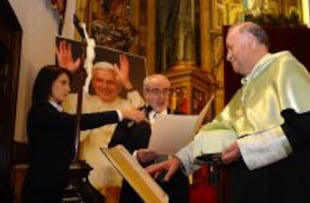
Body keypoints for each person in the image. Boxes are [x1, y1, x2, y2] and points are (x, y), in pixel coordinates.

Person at [146, 21, 310, 203]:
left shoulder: (283, 66)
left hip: (288, 189)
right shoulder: (243, 92)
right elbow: (216, 134)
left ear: (251, 41)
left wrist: (245, 148)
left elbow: (305, 126)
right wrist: (180, 160)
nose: (228, 56)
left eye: (230, 47)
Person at [21, 65, 145, 203]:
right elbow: (79, 121)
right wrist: (120, 114)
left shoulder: (54, 111)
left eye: (68, 84)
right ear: (47, 82)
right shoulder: (41, 111)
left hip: (59, 184)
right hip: (43, 186)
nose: (68, 89)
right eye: (63, 83)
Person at [56, 40, 145, 202]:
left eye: (110, 82)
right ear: (93, 81)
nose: (104, 86)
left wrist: (127, 83)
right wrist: (65, 72)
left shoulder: (126, 105)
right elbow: (63, 111)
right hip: (90, 179)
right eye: (99, 80)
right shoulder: (82, 101)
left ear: (118, 85)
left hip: (120, 177)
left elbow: (143, 116)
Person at [109, 74, 189, 203]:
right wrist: (136, 156)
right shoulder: (131, 117)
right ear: (145, 93)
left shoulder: (183, 119)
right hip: (136, 191)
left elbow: (192, 153)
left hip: (174, 190)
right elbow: (113, 151)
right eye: (156, 91)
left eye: (165, 91)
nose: (161, 97)